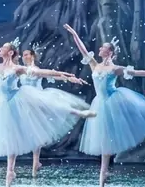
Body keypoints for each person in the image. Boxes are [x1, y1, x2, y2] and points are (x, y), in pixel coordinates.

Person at [0, 26, 90, 187]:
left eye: (3, 47)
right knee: (9, 136)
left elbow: (40, 72)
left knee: (15, 133)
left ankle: (13, 169)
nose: (0, 48)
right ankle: (10, 171)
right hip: (3, 104)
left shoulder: (17, 69)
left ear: (11, 52)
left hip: (16, 101)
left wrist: (64, 76)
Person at [62, 23, 145, 187]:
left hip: (115, 100)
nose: (99, 49)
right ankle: (103, 175)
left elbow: (136, 72)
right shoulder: (94, 64)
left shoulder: (115, 69)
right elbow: (83, 49)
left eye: (103, 47)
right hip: (101, 103)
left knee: (142, 111)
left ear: (110, 52)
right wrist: (74, 34)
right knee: (104, 137)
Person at [20, 46, 92, 177]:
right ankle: (36, 162)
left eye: (26, 54)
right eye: (23, 55)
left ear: (32, 56)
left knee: (38, 129)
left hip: (38, 101)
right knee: (33, 131)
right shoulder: (21, 70)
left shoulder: (36, 69)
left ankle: (36, 162)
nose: (24, 57)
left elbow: (51, 74)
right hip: (25, 102)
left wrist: (67, 77)